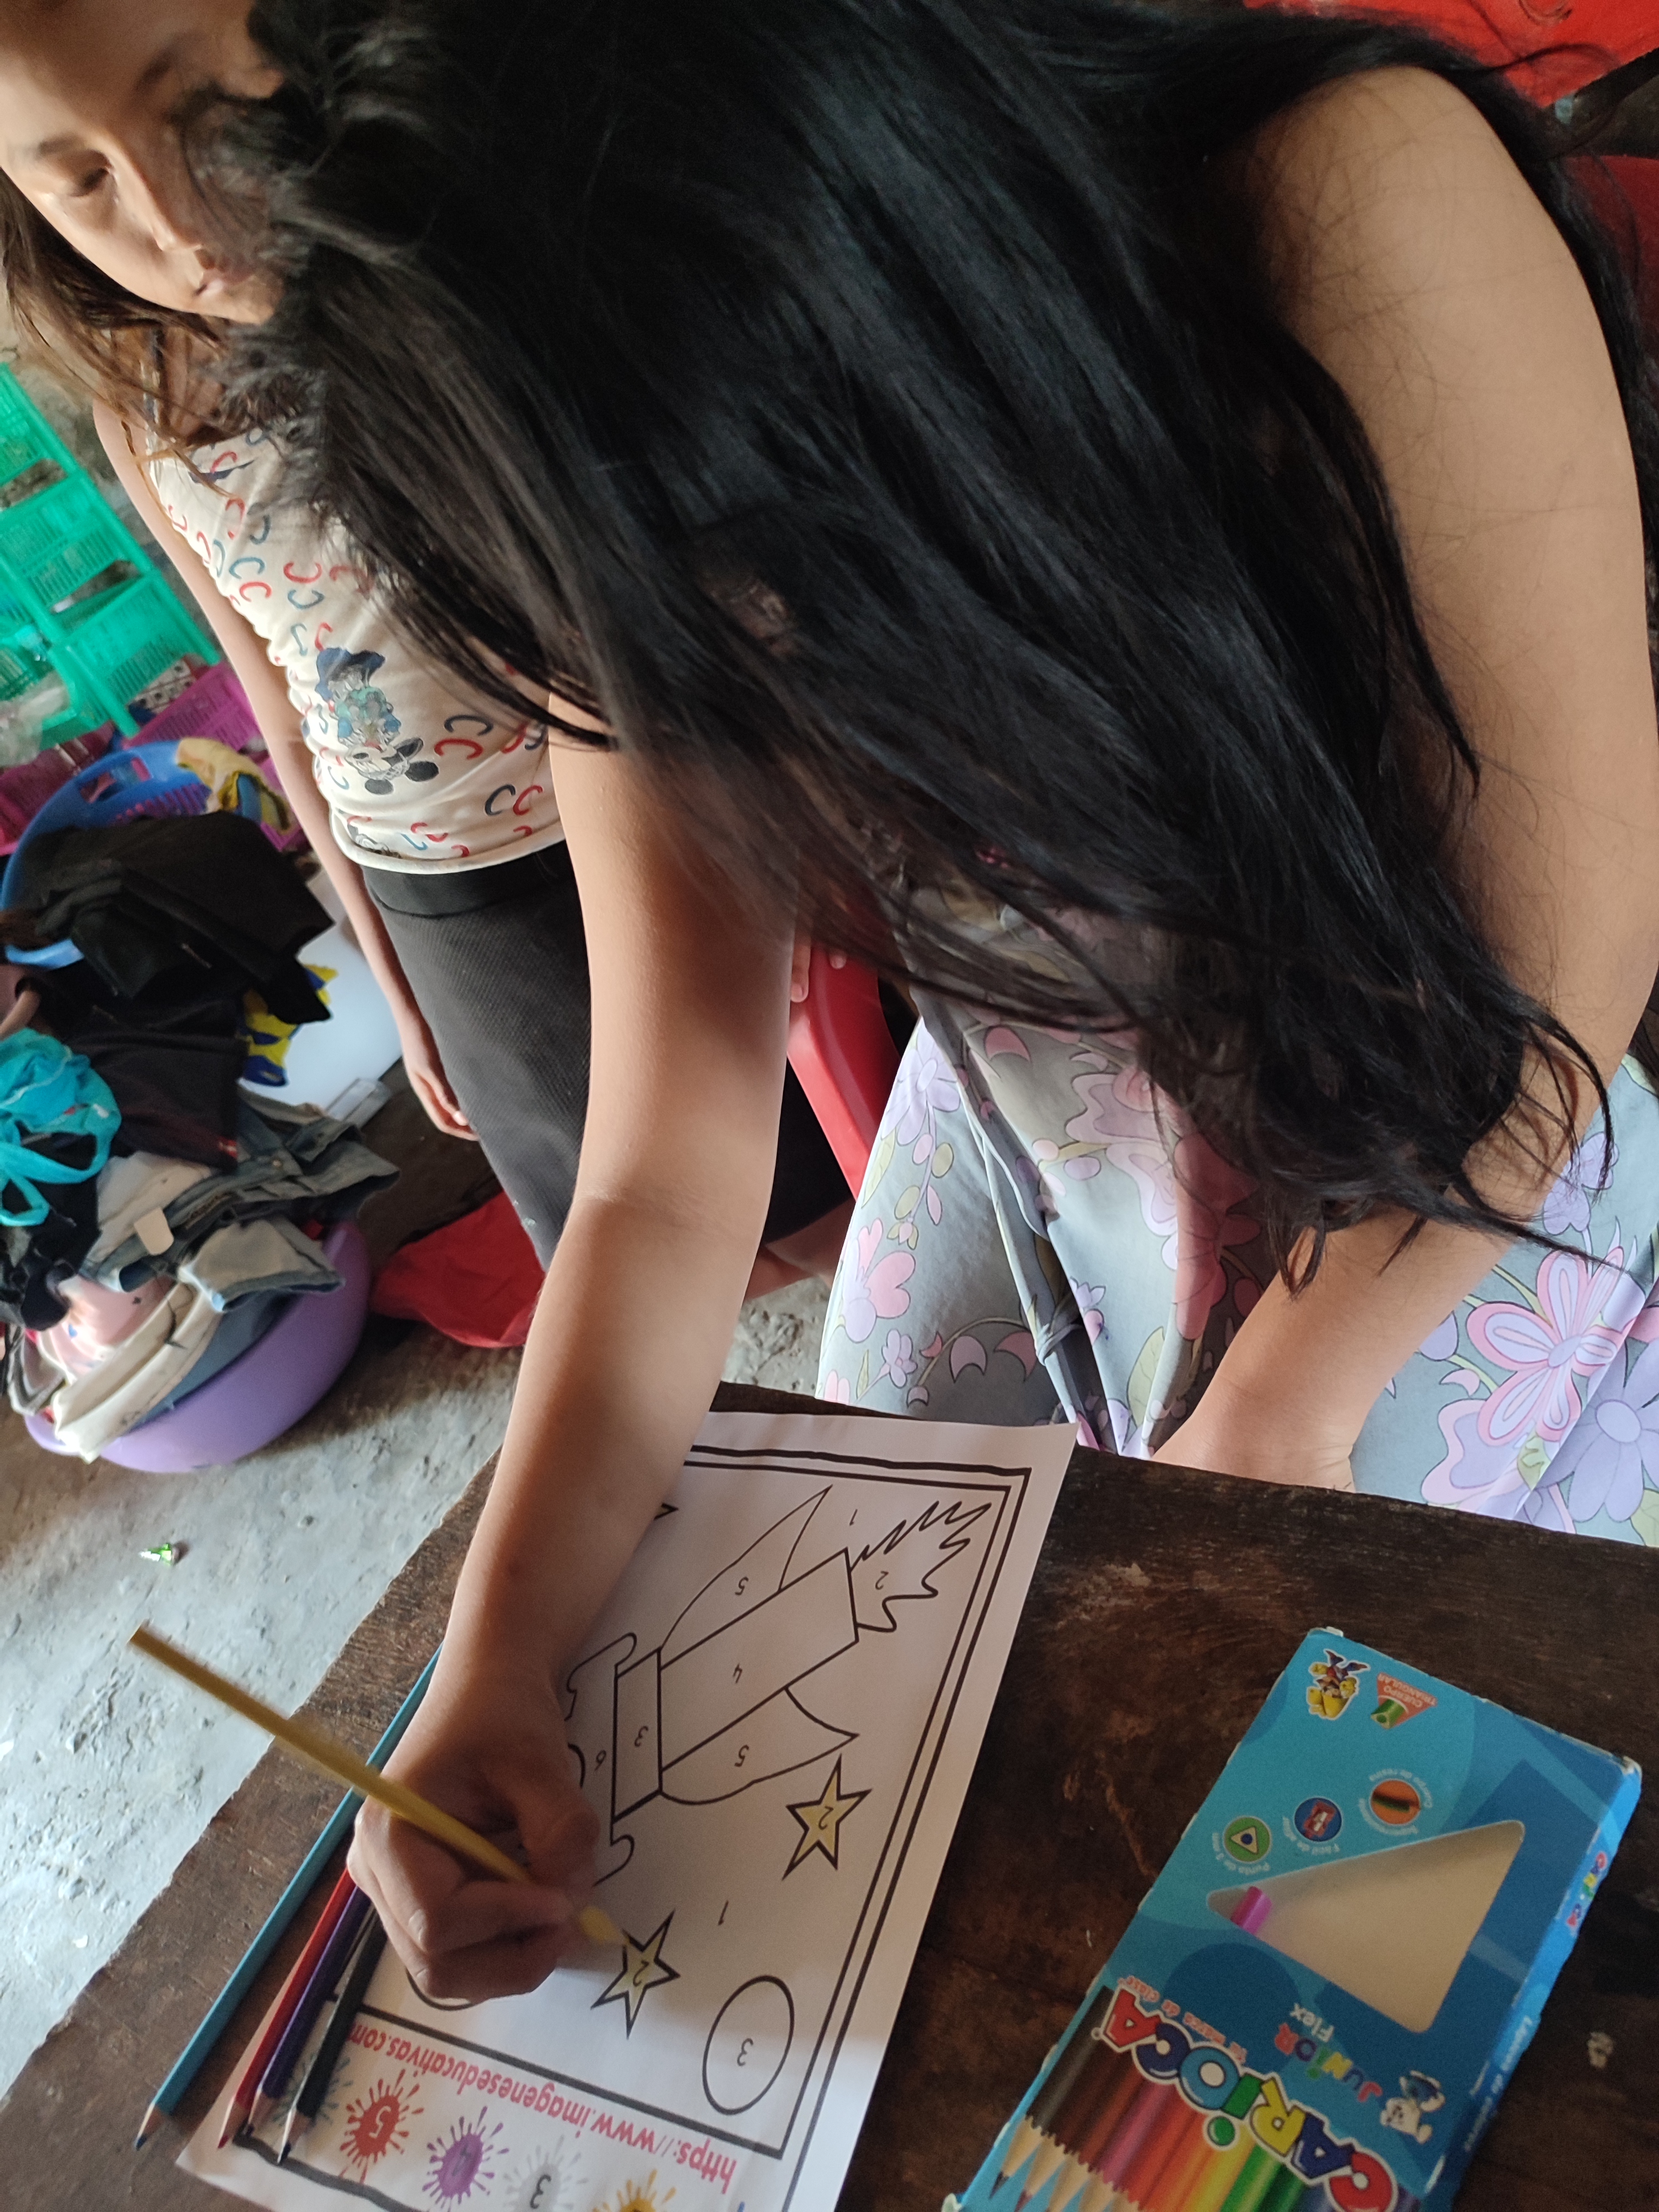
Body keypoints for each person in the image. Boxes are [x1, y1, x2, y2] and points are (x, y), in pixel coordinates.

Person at [7, 0, 1658, 2006]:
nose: (175, 224)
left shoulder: (1341, 196)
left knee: (1388, 1917)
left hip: (1451, 1163)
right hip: (1046, 1159)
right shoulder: (548, 404)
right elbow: (660, 1171)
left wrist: (1272, 1433)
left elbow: (1556, 965)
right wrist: (494, 1662)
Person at [0, 0, 851, 1284]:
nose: (177, 229)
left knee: (817, 1157)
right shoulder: (138, 405)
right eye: (81, 182)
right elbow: (275, 692)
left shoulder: (447, 261)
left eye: (191, 114)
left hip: (649, 781)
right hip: (441, 878)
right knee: (653, 1233)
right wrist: (394, 975)